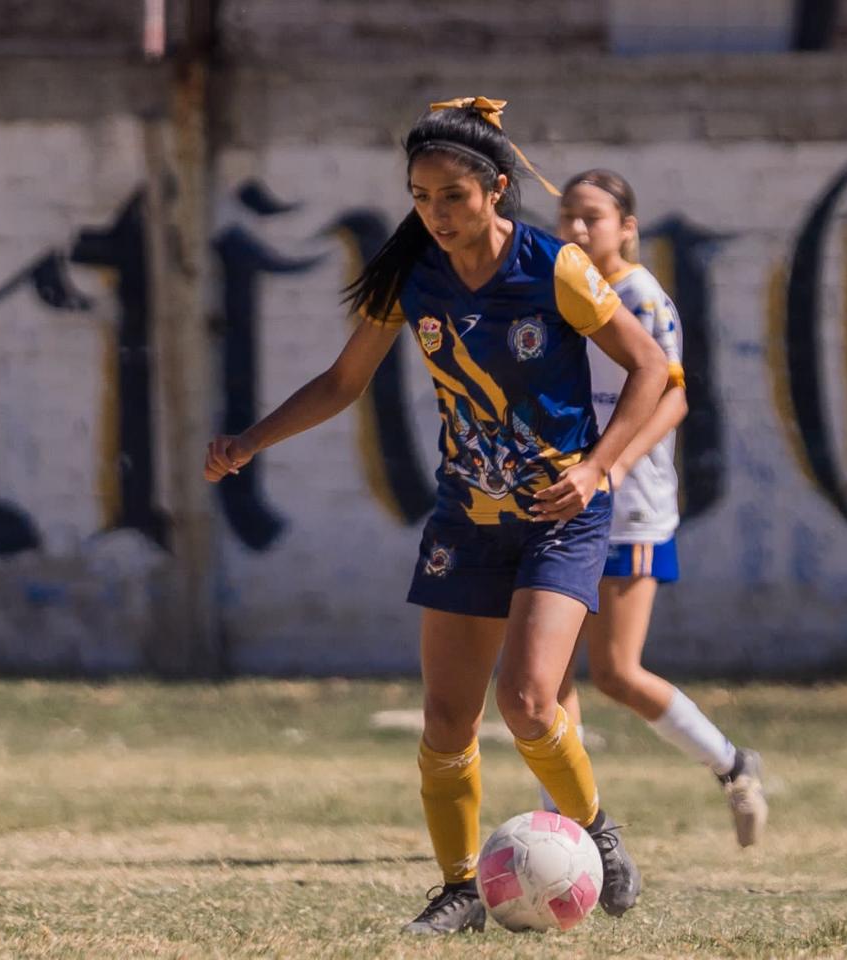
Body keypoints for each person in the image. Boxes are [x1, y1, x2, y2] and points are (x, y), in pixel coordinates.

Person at [204, 97, 670, 933]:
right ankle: (460, 888)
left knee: (529, 701)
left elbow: (650, 370)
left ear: (496, 190)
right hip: (465, 519)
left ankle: (596, 831)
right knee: (447, 719)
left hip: (559, 515)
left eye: (453, 196)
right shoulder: (412, 277)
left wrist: (598, 468)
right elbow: (343, 382)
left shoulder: (554, 266)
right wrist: (249, 441)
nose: (437, 214)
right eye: (421, 198)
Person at [542, 169, 767, 847]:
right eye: (568, 215)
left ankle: (731, 764)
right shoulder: (560, 290)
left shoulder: (639, 295)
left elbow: (674, 397)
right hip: (566, 501)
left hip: (628, 507)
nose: (577, 228)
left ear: (627, 228)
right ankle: (565, 825)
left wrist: (611, 467)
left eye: (593, 217)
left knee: (615, 672)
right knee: (548, 673)